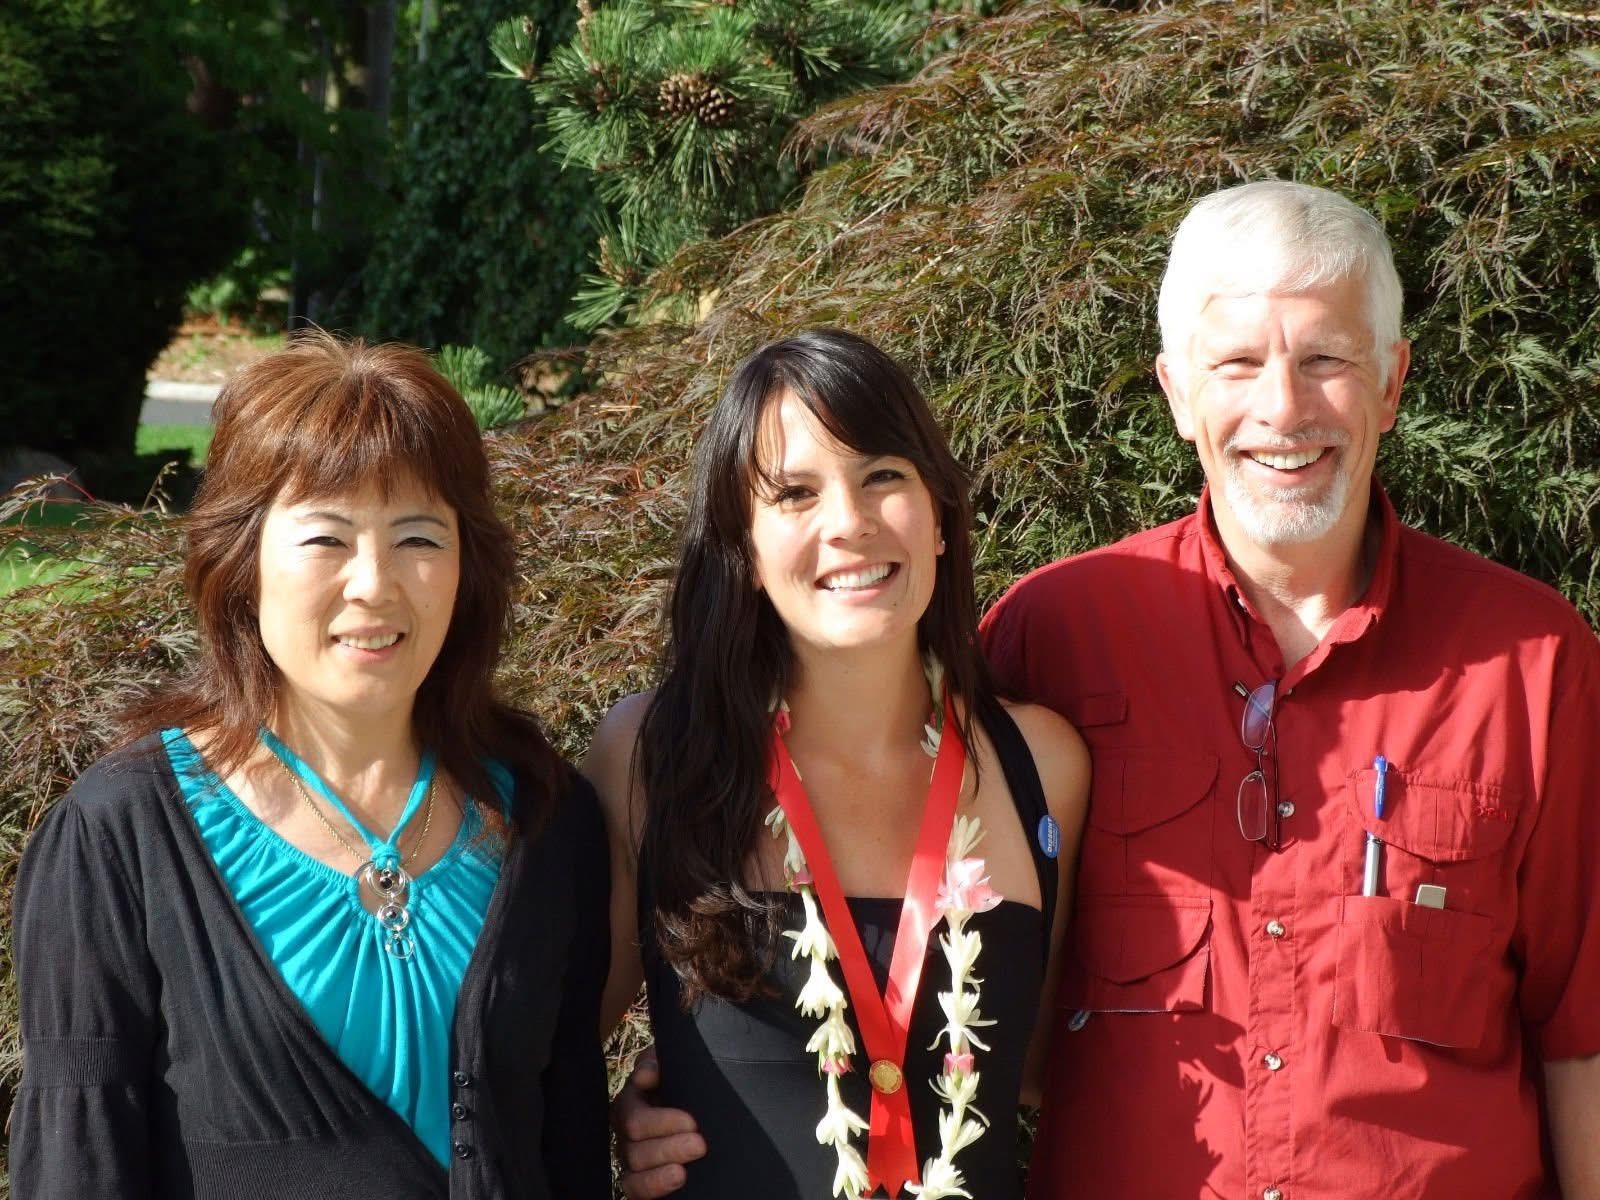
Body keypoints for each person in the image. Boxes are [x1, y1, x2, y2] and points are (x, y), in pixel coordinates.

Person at [613, 182, 1600, 1199]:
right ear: (1177, 394)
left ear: (1391, 384)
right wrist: (686, 1095)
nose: (1283, 407)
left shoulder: (1531, 661)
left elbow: (1585, 1036)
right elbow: (958, 967)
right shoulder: (1057, 637)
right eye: (1238, 365)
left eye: (1326, 361)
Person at [9, 332, 611, 1198]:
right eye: (327, 538)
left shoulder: (546, 820)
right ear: (242, 562)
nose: (375, 583)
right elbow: (79, 1162)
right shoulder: (119, 839)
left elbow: (570, 1147)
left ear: (466, 565)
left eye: (418, 537)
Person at [584, 328, 1088, 1199]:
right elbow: (530, 1052)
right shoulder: (648, 757)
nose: (849, 523)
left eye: (883, 476)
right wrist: (610, 1128)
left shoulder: (1042, 764)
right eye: (795, 494)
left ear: (939, 517)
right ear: (740, 548)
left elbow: (1051, 1073)